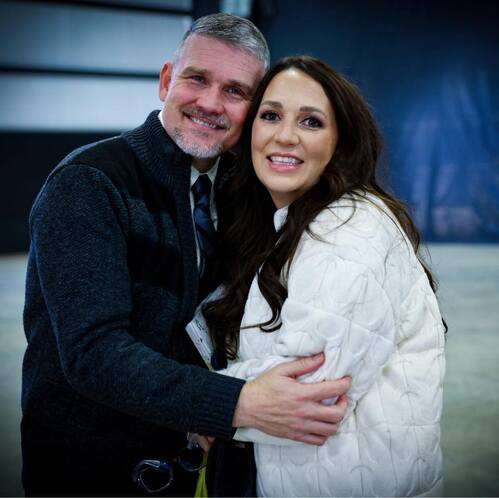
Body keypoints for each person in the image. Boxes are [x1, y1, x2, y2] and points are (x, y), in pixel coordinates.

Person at [21, 15, 351, 497]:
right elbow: (93, 353)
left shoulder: (240, 190)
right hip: (86, 468)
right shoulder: (89, 183)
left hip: (181, 459)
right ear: (165, 82)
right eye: (197, 79)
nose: (211, 103)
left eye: (235, 91)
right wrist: (239, 403)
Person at [204, 55, 447, 496]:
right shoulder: (286, 226)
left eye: (311, 122)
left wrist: (195, 402)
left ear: (341, 142)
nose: (285, 135)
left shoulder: (350, 229)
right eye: (270, 115)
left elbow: (310, 389)